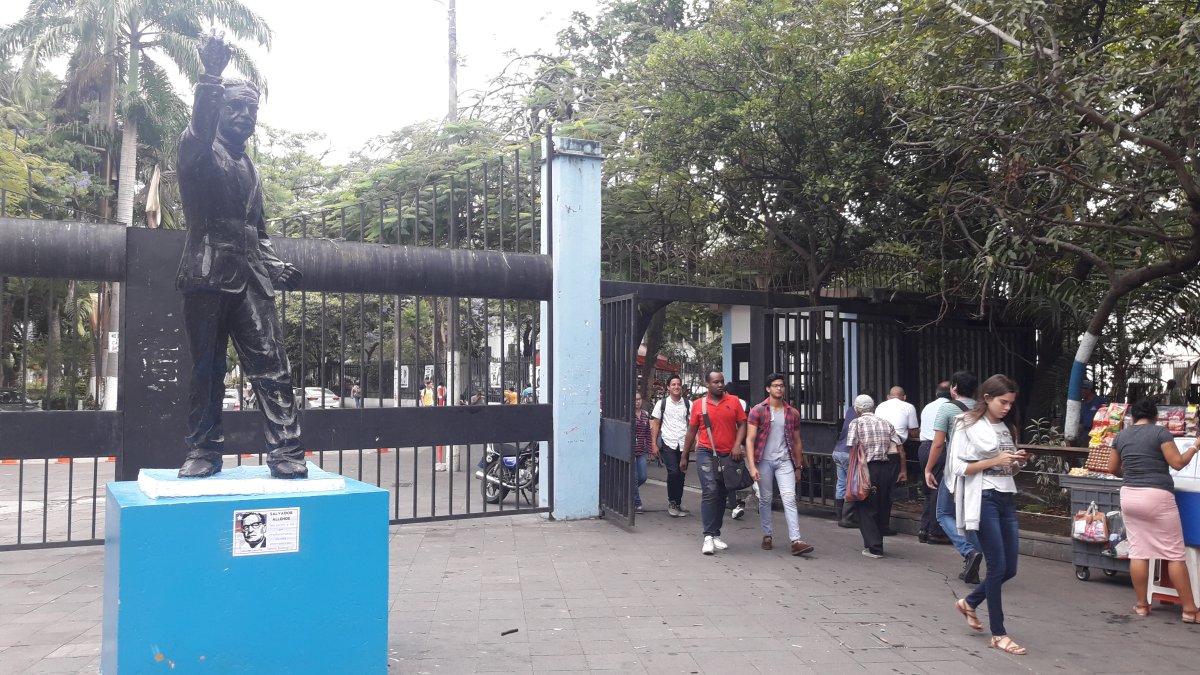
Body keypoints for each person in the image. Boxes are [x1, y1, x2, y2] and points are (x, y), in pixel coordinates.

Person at [175, 33, 305, 479]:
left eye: (252, 109)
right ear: (218, 111)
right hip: (208, 272)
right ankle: (203, 452)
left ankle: (287, 450)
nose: (246, 116)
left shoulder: (250, 168)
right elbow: (197, 126)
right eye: (236, 108)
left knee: (272, 363)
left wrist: (272, 263)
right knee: (207, 370)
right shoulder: (197, 153)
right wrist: (210, 76)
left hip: (250, 277)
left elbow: (259, 231)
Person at [947, 374, 1029, 655]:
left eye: (1010, 403)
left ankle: (969, 602)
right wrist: (995, 460)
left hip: (1005, 495)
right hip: (982, 497)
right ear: (987, 398)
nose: (1007, 407)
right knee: (997, 567)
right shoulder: (966, 423)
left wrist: (1017, 462)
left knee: (1010, 568)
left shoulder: (1007, 428)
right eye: (1003, 402)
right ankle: (999, 634)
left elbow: (1008, 468)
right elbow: (959, 467)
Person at [1107, 398, 1199, 623]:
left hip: (1129, 495)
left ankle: (1141, 605)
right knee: (1174, 554)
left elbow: (1112, 468)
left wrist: (1131, 475)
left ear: (1133, 417)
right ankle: (1189, 610)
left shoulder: (1122, 436)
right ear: (1155, 416)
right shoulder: (1160, 433)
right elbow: (1177, 463)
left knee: (1139, 552)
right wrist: (1195, 447)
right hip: (1157, 496)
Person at [924, 370, 984, 584]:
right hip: (980, 468)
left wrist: (928, 468)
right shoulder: (981, 408)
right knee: (970, 518)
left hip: (956, 469)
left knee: (943, 513)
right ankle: (973, 565)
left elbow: (938, 443)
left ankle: (969, 552)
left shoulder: (947, 408)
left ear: (954, 388)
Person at [746, 373, 814, 556]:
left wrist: (798, 467)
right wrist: (752, 467)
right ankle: (767, 534)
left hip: (785, 461)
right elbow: (750, 440)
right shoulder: (758, 411)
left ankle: (796, 540)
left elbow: (798, 441)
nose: (779, 388)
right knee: (766, 498)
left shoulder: (792, 413)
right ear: (768, 388)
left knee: (789, 498)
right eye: (775, 385)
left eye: (781, 386)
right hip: (764, 461)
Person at [681, 370, 747, 555]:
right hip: (706, 452)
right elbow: (691, 431)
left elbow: (742, 424)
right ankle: (708, 536)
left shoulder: (733, 401)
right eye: (716, 382)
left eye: (722, 382)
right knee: (710, 490)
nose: (720, 385)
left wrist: (737, 445)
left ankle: (716, 533)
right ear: (707, 384)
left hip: (728, 455)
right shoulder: (699, 405)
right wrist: (685, 455)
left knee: (722, 492)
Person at [846, 394, 896, 558]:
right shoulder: (886, 423)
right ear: (873, 407)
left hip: (866, 468)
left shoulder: (857, 423)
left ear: (857, 409)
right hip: (885, 467)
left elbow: (851, 446)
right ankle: (878, 541)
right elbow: (896, 445)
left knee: (865, 506)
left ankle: (875, 547)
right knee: (881, 504)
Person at [874, 386, 918, 535]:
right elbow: (913, 431)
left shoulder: (880, 406)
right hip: (894, 450)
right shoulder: (908, 407)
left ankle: (875, 523)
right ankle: (883, 525)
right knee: (888, 490)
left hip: (876, 449)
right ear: (904, 397)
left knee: (876, 487)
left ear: (888, 397)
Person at [650, 374, 691, 517]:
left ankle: (677, 503)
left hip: (684, 443)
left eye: (678, 384)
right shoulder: (662, 404)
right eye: (673, 384)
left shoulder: (688, 404)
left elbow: (692, 424)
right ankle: (672, 502)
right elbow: (655, 424)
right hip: (668, 442)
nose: (676, 387)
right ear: (668, 387)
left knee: (681, 474)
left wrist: (697, 440)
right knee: (673, 472)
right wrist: (653, 444)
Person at [917, 382, 952, 544]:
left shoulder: (927, 407)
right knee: (938, 490)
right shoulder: (950, 407)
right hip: (939, 448)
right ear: (952, 391)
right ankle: (935, 532)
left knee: (929, 490)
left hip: (923, 447)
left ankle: (924, 528)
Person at [833, 404, 859, 528]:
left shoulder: (850, 409)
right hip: (849, 452)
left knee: (842, 483)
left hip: (838, 451)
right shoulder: (864, 415)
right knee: (852, 484)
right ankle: (847, 517)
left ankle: (839, 514)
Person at [633, 392, 654, 513]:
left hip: (641, 451)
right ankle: (637, 502)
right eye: (635, 400)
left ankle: (629, 491)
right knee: (634, 478)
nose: (637, 402)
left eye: (639, 399)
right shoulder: (628, 415)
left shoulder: (645, 415)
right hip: (630, 451)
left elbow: (648, 434)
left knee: (643, 477)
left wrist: (650, 449)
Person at [1076, 379, 1108, 447]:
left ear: (1088, 390)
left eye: (1082, 389)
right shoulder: (1081, 404)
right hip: (1085, 436)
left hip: (1098, 436)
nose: (1080, 392)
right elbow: (1080, 423)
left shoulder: (1100, 401)